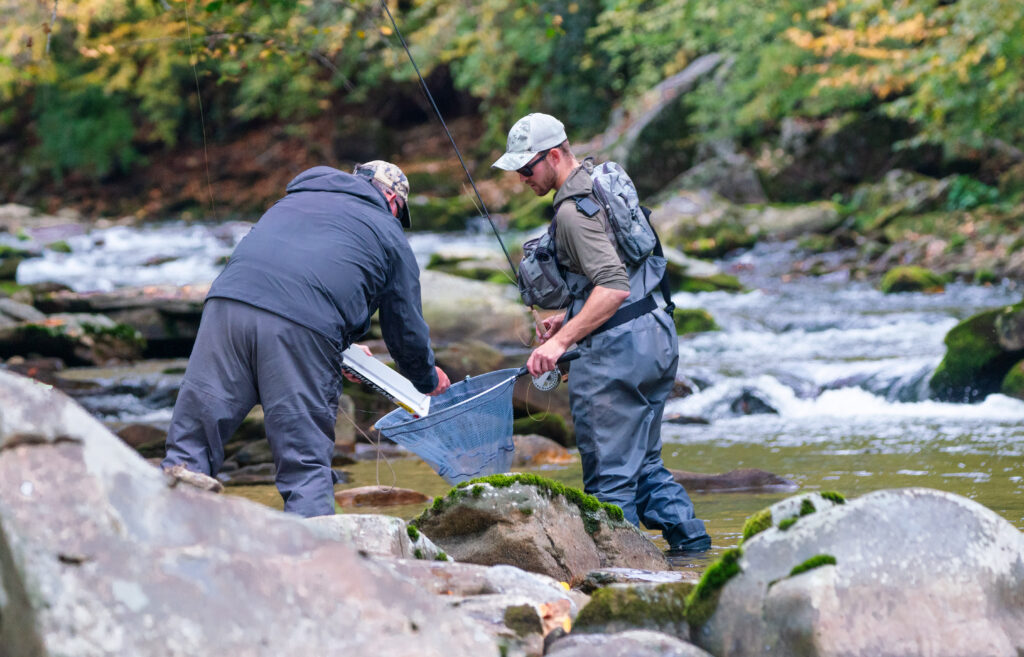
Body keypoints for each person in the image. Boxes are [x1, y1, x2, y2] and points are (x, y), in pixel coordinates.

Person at [162, 161, 450, 517]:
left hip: (226, 307)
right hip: (300, 330)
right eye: (398, 211)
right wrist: (426, 378)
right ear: (392, 197)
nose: (395, 218)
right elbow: (404, 326)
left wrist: (339, 346)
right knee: (304, 467)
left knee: (191, 446)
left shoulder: (293, 201)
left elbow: (296, 272)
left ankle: (166, 536)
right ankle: (313, 564)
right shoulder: (388, 233)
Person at [493, 113, 711, 552]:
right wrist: (571, 315)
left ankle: (625, 585)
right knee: (645, 466)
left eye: (527, 168)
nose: (521, 179)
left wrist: (559, 341)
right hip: (655, 338)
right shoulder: (602, 184)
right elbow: (623, 274)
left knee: (609, 487)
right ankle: (696, 553)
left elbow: (612, 286)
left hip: (617, 358)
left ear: (554, 155)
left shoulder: (572, 214)